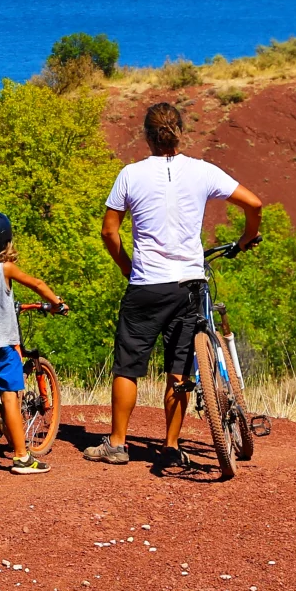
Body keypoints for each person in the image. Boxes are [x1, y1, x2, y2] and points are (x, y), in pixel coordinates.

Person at [87, 102, 262, 466]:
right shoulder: (202, 172)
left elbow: (109, 231)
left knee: (128, 366)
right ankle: (170, 446)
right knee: (180, 367)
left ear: (146, 136)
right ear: (180, 132)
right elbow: (254, 204)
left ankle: (117, 444)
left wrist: (126, 266)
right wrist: (247, 238)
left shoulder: (130, 175)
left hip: (147, 284)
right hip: (189, 285)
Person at [0, 210, 66, 474]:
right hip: (3, 344)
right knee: (10, 397)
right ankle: (21, 457)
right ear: (3, 242)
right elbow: (37, 283)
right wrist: (57, 303)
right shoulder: (4, 269)